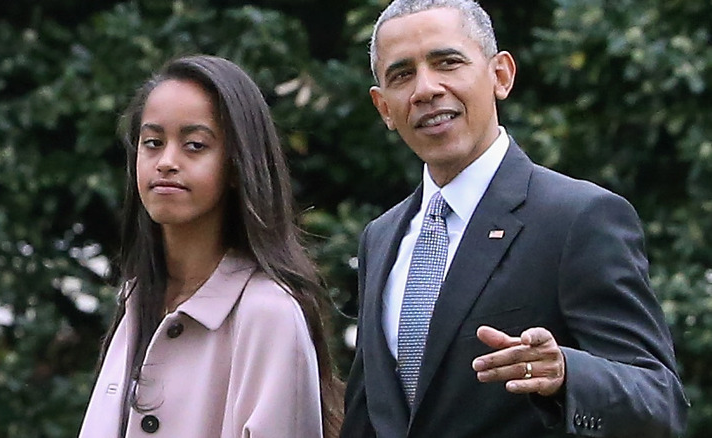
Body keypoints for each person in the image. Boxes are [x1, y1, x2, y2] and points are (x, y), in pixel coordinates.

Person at [340, 1, 689, 437]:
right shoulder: (381, 236)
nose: (425, 89)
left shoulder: (577, 218)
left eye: (447, 62)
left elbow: (659, 401)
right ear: (384, 108)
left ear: (500, 75)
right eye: (402, 75)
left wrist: (565, 375)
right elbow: (369, 413)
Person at [78, 55, 342, 438]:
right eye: (152, 143)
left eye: (195, 145)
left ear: (238, 165)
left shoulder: (268, 313)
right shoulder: (137, 296)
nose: (167, 162)